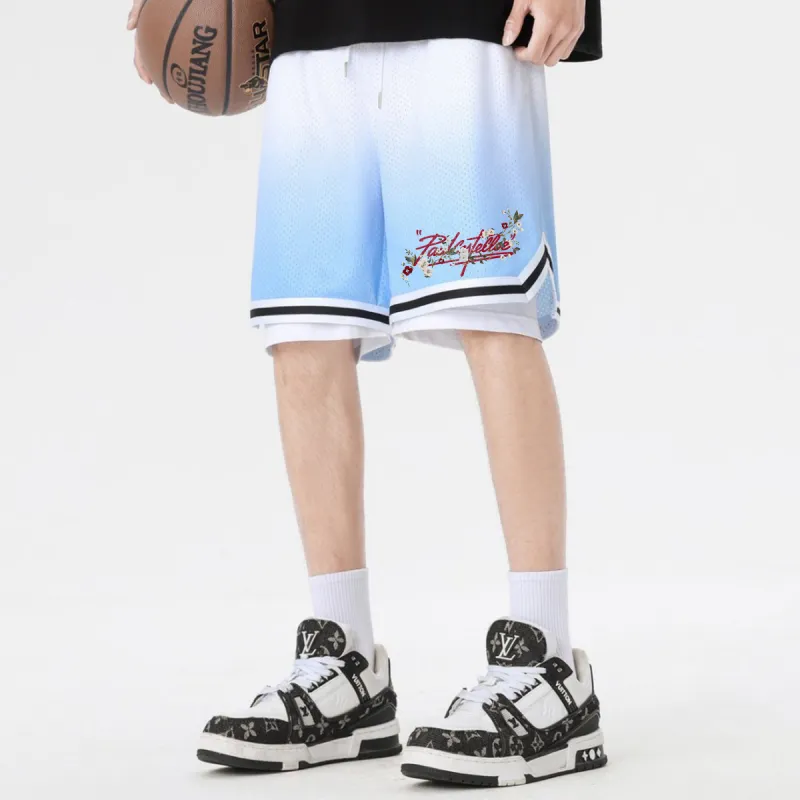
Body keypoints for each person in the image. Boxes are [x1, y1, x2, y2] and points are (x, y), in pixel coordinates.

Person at [129, 0, 605, 788]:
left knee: (490, 314)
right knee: (303, 331)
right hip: (309, 34)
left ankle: (547, 658)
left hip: (465, 22)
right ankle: (344, 665)